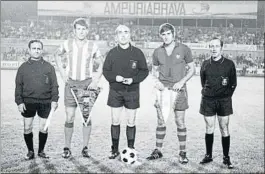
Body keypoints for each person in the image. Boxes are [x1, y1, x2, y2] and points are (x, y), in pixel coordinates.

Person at [54, 18, 103, 158]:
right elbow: (56, 54)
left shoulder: (92, 46)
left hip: (86, 85)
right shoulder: (67, 43)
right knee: (69, 117)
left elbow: (101, 64)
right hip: (71, 84)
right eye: (78, 29)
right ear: (74, 30)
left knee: (86, 117)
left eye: (84, 29)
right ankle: (67, 147)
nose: (81, 32)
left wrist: (96, 80)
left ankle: (85, 147)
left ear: (87, 31)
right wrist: (62, 73)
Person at [146, 23, 195, 164]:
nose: (166, 37)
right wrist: (156, 83)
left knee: (180, 121)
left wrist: (181, 82)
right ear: (160, 36)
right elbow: (154, 72)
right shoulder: (157, 52)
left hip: (179, 90)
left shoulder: (184, 49)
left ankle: (183, 152)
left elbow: (192, 70)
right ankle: (158, 150)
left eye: (168, 33)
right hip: (162, 91)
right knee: (161, 121)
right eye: (163, 34)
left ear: (173, 34)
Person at [103, 24, 149, 159]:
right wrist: (114, 78)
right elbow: (106, 71)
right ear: (116, 36)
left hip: (132, 91)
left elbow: (144, 71)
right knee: (115, 120)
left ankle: (130, 148)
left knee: (131, 121)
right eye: (120, 33)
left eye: (126, 32)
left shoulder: (137, 52)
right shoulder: (111, 53)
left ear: (130, 35)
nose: (123, 35)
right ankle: (114, 149)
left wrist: (133, 80)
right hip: (115, 91)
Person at [15, 40, 59, 160]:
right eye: (34, 48)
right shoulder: (23, 68)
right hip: (28, 101)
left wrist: (54, 100)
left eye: (38, 48)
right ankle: (30, 151)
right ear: (29, 50)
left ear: (42, 50)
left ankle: (41, 151)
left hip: (45, 101)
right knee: (27, 127)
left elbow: (54, 85)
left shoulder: (49, 67)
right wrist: (19, 102)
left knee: (44, 127)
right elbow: (18, 86)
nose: (36, 50)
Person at [199, 37, 237, 169]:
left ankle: (226, 158)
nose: (214, 49)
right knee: (209, 128)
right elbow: (203, 82)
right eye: (211, 46)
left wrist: (225, 96)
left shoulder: (229, 64)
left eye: (216, 46)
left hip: (224, 101)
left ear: (221, 48)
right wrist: (209, 93)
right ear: (209, 48)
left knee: (224, 128)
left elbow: (233, 84)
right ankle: (208, 155)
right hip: (208, 100)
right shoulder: (205, 63)